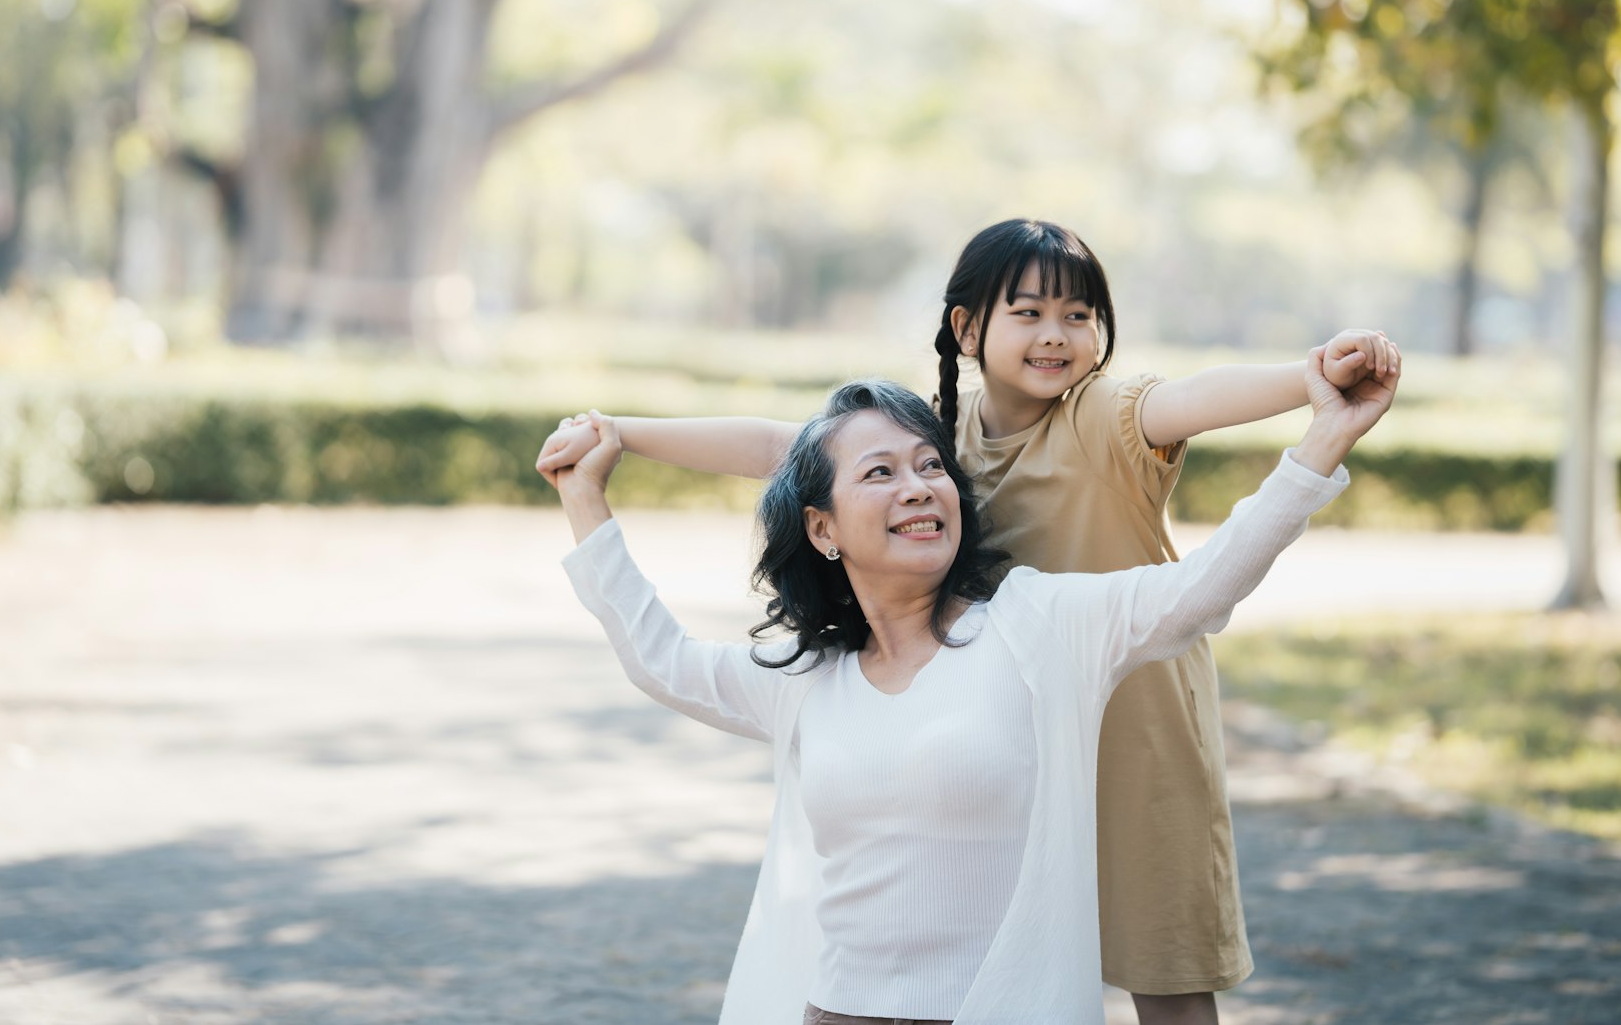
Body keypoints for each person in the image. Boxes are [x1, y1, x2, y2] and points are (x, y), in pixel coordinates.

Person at [537, 219, 1403, 1023]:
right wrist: (620, 436)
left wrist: (1310, 382)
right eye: (1027, 312)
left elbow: (1193, 403)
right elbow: (786, 452)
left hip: (1133, 719)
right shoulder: (936, 437)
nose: (1056, 333)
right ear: (966, 328)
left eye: (1079, 313)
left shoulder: (1102, 414)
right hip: (995, 723)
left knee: (1163, 968)